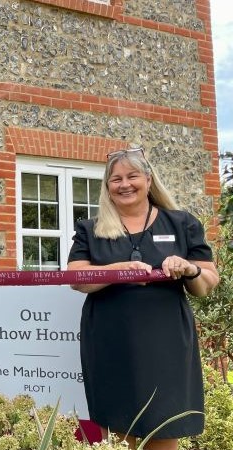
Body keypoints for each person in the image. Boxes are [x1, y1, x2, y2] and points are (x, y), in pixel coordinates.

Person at [67, 148, 218, 450]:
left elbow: (207, 283)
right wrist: (118, 270)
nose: (124, 184)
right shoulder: (92, 229)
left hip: (167, 343)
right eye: (116, 179)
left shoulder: (182, 224)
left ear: (149, 180)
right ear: (107, 187)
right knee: (120, 431)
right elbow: (76, 279)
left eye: (132, 176)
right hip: (111, 342)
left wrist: (189, 269)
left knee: (164, 427)